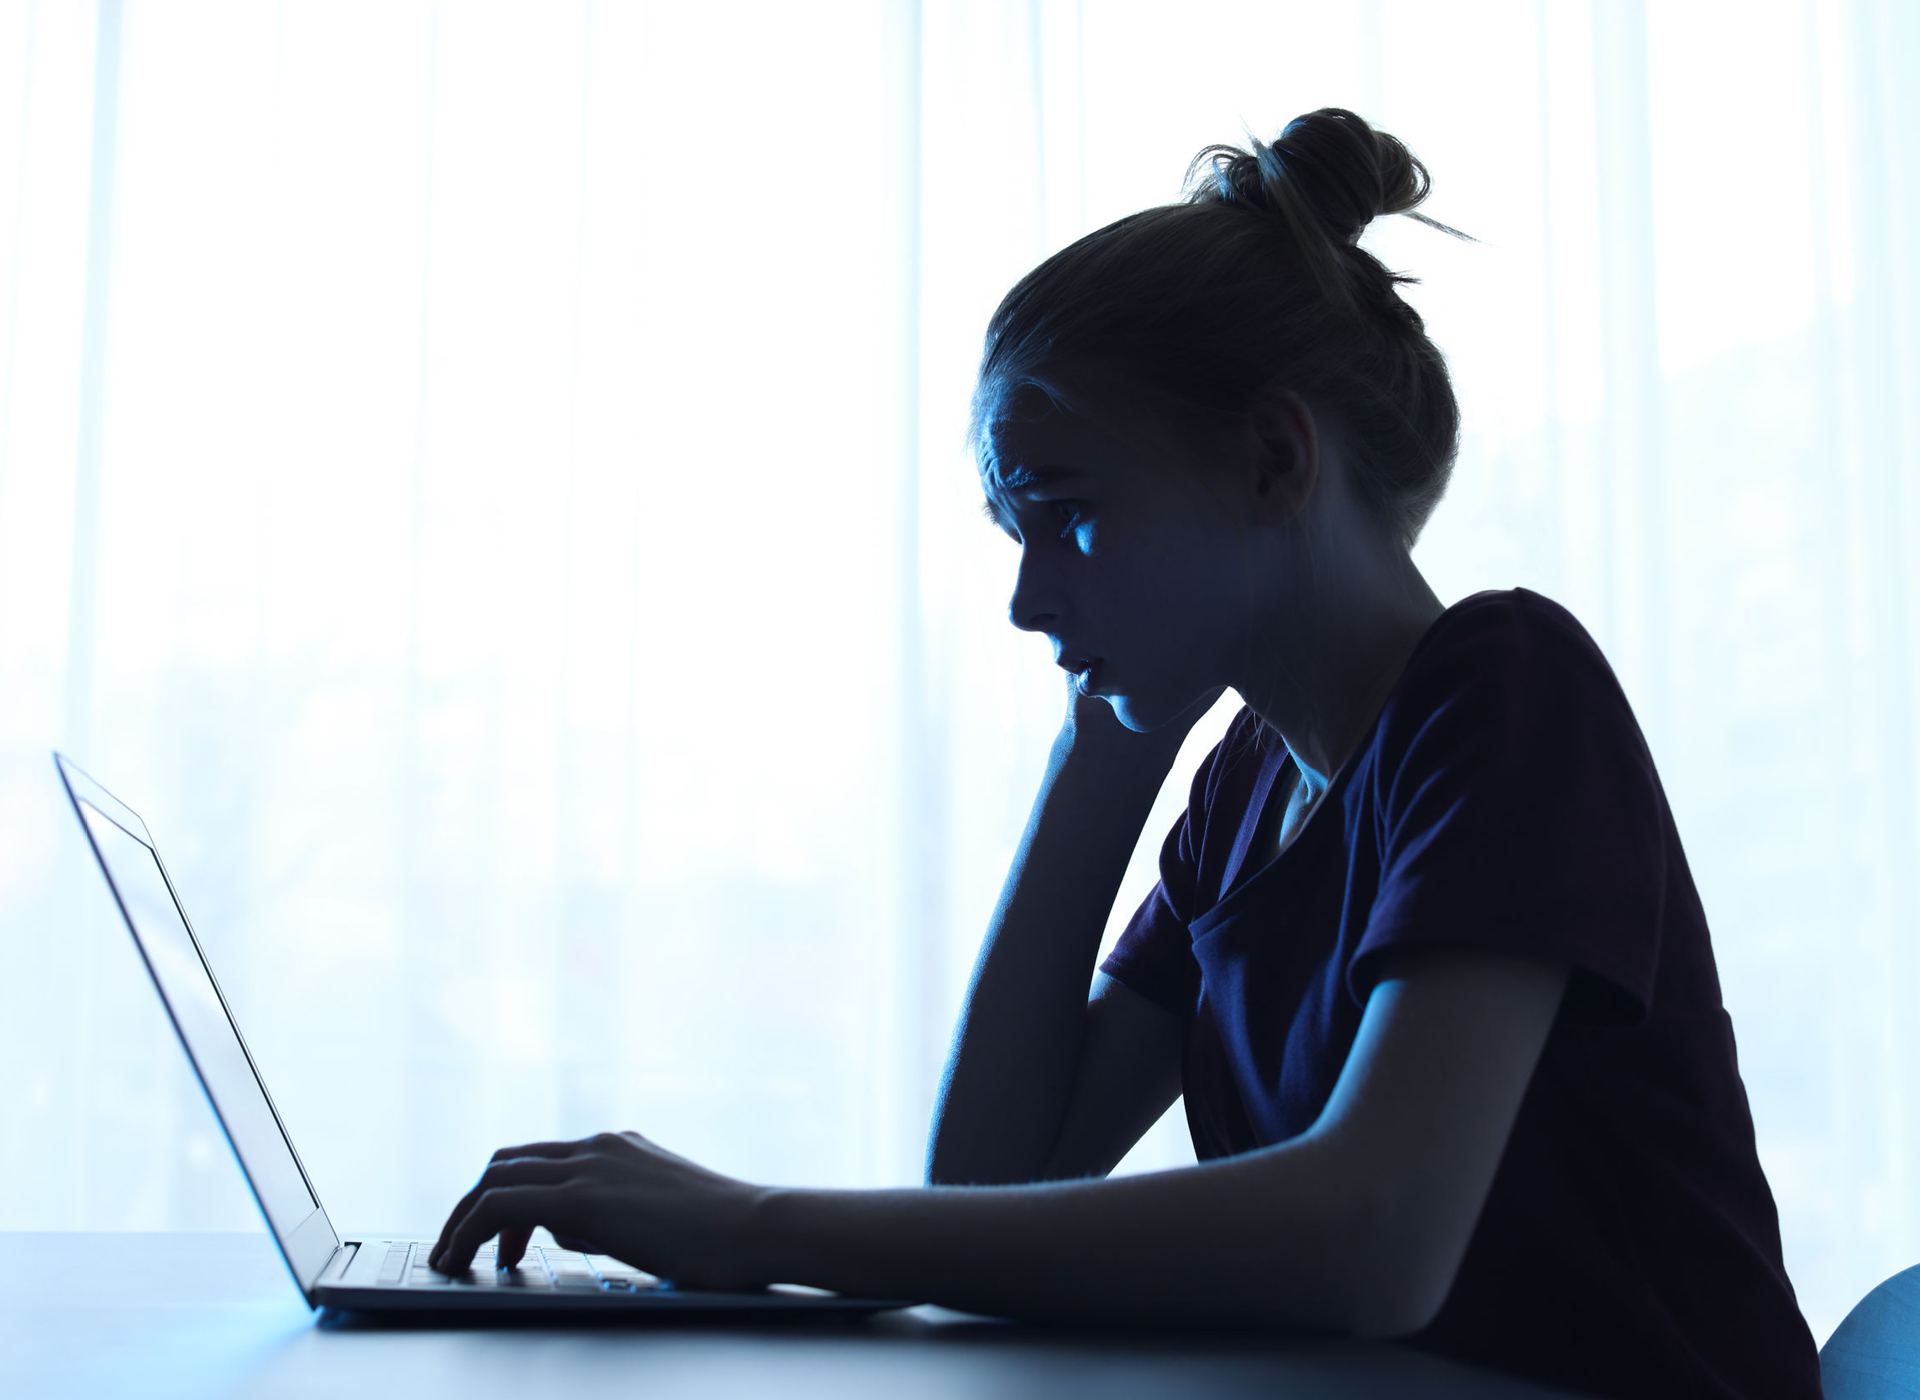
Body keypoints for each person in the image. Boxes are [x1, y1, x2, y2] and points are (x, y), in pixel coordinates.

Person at [430, 108, 1821, 1400]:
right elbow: (992, 1182)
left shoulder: (1504, 695)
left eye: (1066, 512)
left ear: (1274, 464)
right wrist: (1103, 748)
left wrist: (746, 1221)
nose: (1030, 598)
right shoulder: (1246, 790)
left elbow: (1376, 1237)